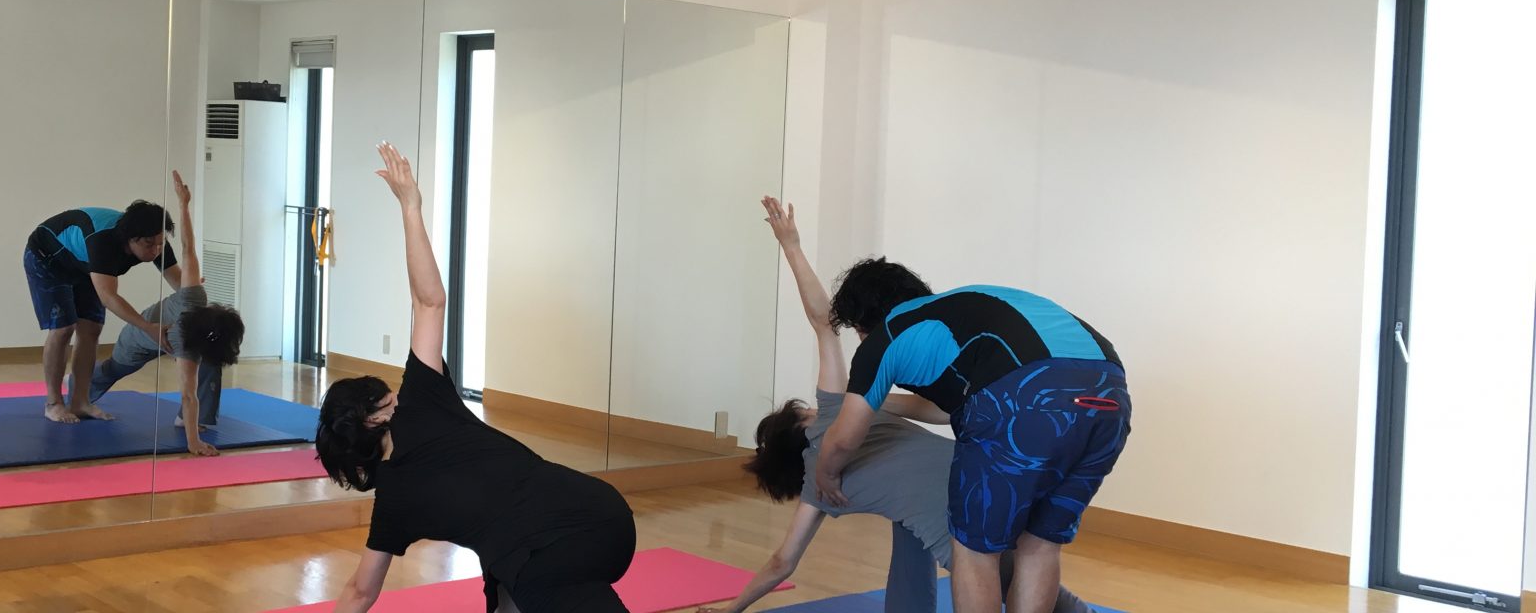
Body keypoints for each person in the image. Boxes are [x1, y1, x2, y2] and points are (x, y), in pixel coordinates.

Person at [701, 198, 1093, 613]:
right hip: (990, 479)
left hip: (972, 495)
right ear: (802, 425)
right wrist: (792, 246)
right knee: (1008, 570)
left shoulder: (822, 481)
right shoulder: (831, 417)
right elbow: (823, 323)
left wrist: (731, 610)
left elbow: (783, 562)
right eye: (805, 411)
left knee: (1018, 582)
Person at [319, 143, 636, 613]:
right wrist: (410, 206)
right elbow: (429, 302)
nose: (391, 392)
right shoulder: (421, 407)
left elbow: (360, 592)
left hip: (566, 537)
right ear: (373, 417)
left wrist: (411, 207)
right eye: (379, 395)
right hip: (593, 513)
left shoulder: (396, 493)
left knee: (517, 566)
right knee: (505, 579)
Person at [811, 256, 1132, 613]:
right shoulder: (959, 310)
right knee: (1039, 544)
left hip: (1023, 399)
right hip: (1109, 397)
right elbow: (953, 409)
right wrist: (878, 403)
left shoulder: (886, 335)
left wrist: (825, 473)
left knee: (975, 550)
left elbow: (845, 438)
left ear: (861, 321)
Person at [87, 170, 244, 456]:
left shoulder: (195, 295)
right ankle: (78, 389)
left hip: (172, 333)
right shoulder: (185, 344)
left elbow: (187, 248)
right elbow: (187, 394)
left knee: (212, 363)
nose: (157, 249)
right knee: (114, 370)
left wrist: (184, 205)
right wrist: (193, 444)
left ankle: (195, 421)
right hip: (138, 336)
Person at [24, 197, 180, 423]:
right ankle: (53, 403)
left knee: (91, 328)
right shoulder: (104, 242)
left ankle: (80, 402)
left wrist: (197, 300)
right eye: (149, 244)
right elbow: (108, 297)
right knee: (63, 328)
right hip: (47, 258)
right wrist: (148, 327)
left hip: (84, 265)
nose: (156, 250)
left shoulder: (154, 239)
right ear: (131, 238)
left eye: (160, 243)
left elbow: (178, 281)